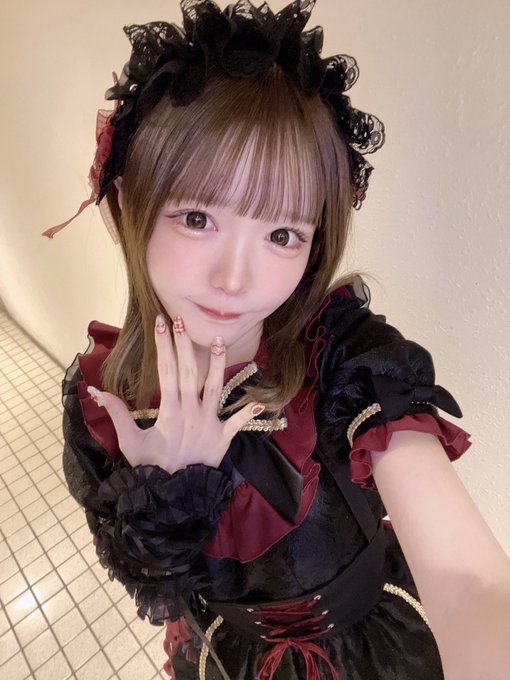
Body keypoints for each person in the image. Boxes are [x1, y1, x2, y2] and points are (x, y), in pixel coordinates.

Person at [45, 1, 510, 678]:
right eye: (197, 218)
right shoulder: (102, 400)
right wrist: (167, 488)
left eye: (282, 234)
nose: (235, 280)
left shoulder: (345, 356)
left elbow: (472, 588)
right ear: (128, 204)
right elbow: (152, 581)